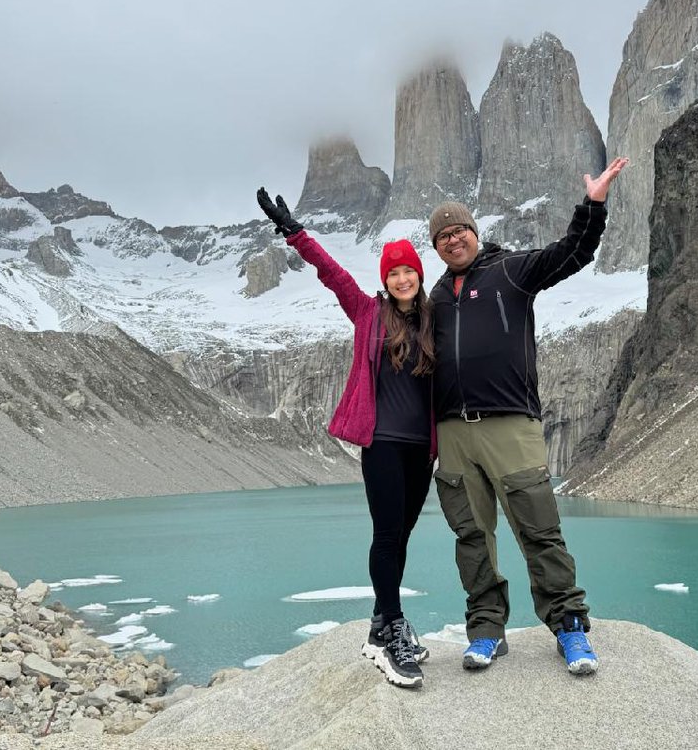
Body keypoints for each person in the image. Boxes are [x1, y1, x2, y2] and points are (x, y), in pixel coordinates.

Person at [427, 157, 629, 676]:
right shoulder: (434, 299)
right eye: (443, 236)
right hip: (453, 435)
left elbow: (574, 253)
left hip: (510, 426)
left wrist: (594, 204)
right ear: (436, 246)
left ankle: (570, 629)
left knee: (539, 530)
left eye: (460, 231)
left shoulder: (511, 271)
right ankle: (487, 632)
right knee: (471, 537)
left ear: (475, 233)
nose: (453, 240)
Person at [256, 187, 435, 689]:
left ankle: (382, 624)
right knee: (385, 534)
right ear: (386, 280)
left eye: (408, 271)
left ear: (419, 276)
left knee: (401, 537)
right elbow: (332, 275)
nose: (401, 278)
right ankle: (392, 630)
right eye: (393, 272)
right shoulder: (367, 312)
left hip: (422, 450)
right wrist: (295, 234)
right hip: (381, 443)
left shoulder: (433, 320)